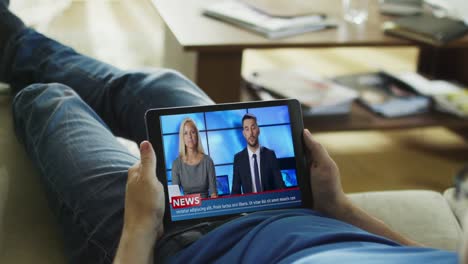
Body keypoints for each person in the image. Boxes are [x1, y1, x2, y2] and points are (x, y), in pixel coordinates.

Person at [0, 2, 460, 264]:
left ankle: (17, 51)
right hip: (284, 211)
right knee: (163, 87)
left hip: (175, 246)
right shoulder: (237, 158)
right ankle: (16, 46)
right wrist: (336, 205)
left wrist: (140, 228)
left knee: (50, 100)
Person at [231, 113, 285, 194]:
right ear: (244, 133)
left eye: (253, 128)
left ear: (258, 130)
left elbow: (280, 185)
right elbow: (235, 191)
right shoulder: (238, 158)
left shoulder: (270, 155)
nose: (251, 133)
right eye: (247, 129)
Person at [171, 117, 217, 198]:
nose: (189, 136)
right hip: (187, 209)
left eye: (192, 132)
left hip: (207, 207)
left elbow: (214, 194)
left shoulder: (208, 161)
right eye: (185, 133)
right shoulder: (176, 164)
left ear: (197, 135)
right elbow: (175, 198)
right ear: (182, 137)